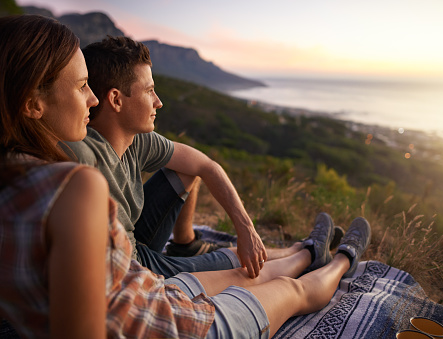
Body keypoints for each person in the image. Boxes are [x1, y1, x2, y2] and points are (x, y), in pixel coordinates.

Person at [0, 14, 372, 338]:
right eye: (82, 87)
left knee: (251, 274)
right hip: (174, 320)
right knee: (291, 291)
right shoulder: (73, 181)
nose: (92, 99)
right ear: (33, 102)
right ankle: (343, 259)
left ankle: (304, 251)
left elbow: (202, 166)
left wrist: (240, 229)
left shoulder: (16, 173)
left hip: (150, 293)